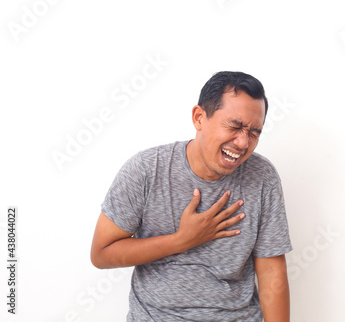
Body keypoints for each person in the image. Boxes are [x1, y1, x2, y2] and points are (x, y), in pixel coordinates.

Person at [90, 71, 293, 322]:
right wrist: (182, 240)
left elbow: (271, 270)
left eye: (254, 132)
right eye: (235, 125)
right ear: (199, 117)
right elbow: (101, 254)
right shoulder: (145, 169)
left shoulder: (262, 177)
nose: (243, 143)